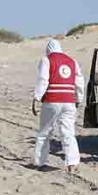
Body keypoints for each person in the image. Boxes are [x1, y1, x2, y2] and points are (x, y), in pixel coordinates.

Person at [32, 39, 84, 173]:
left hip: (52, 99)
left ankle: (40, 162)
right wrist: (79, 98)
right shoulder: (72, 61)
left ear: (48, 49)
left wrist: (37, 98)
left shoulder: (46, 60)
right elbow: (79, 81)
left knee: (45, 132)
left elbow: (43, 80)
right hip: (69, 100)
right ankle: (72, 164)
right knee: (68, 133)